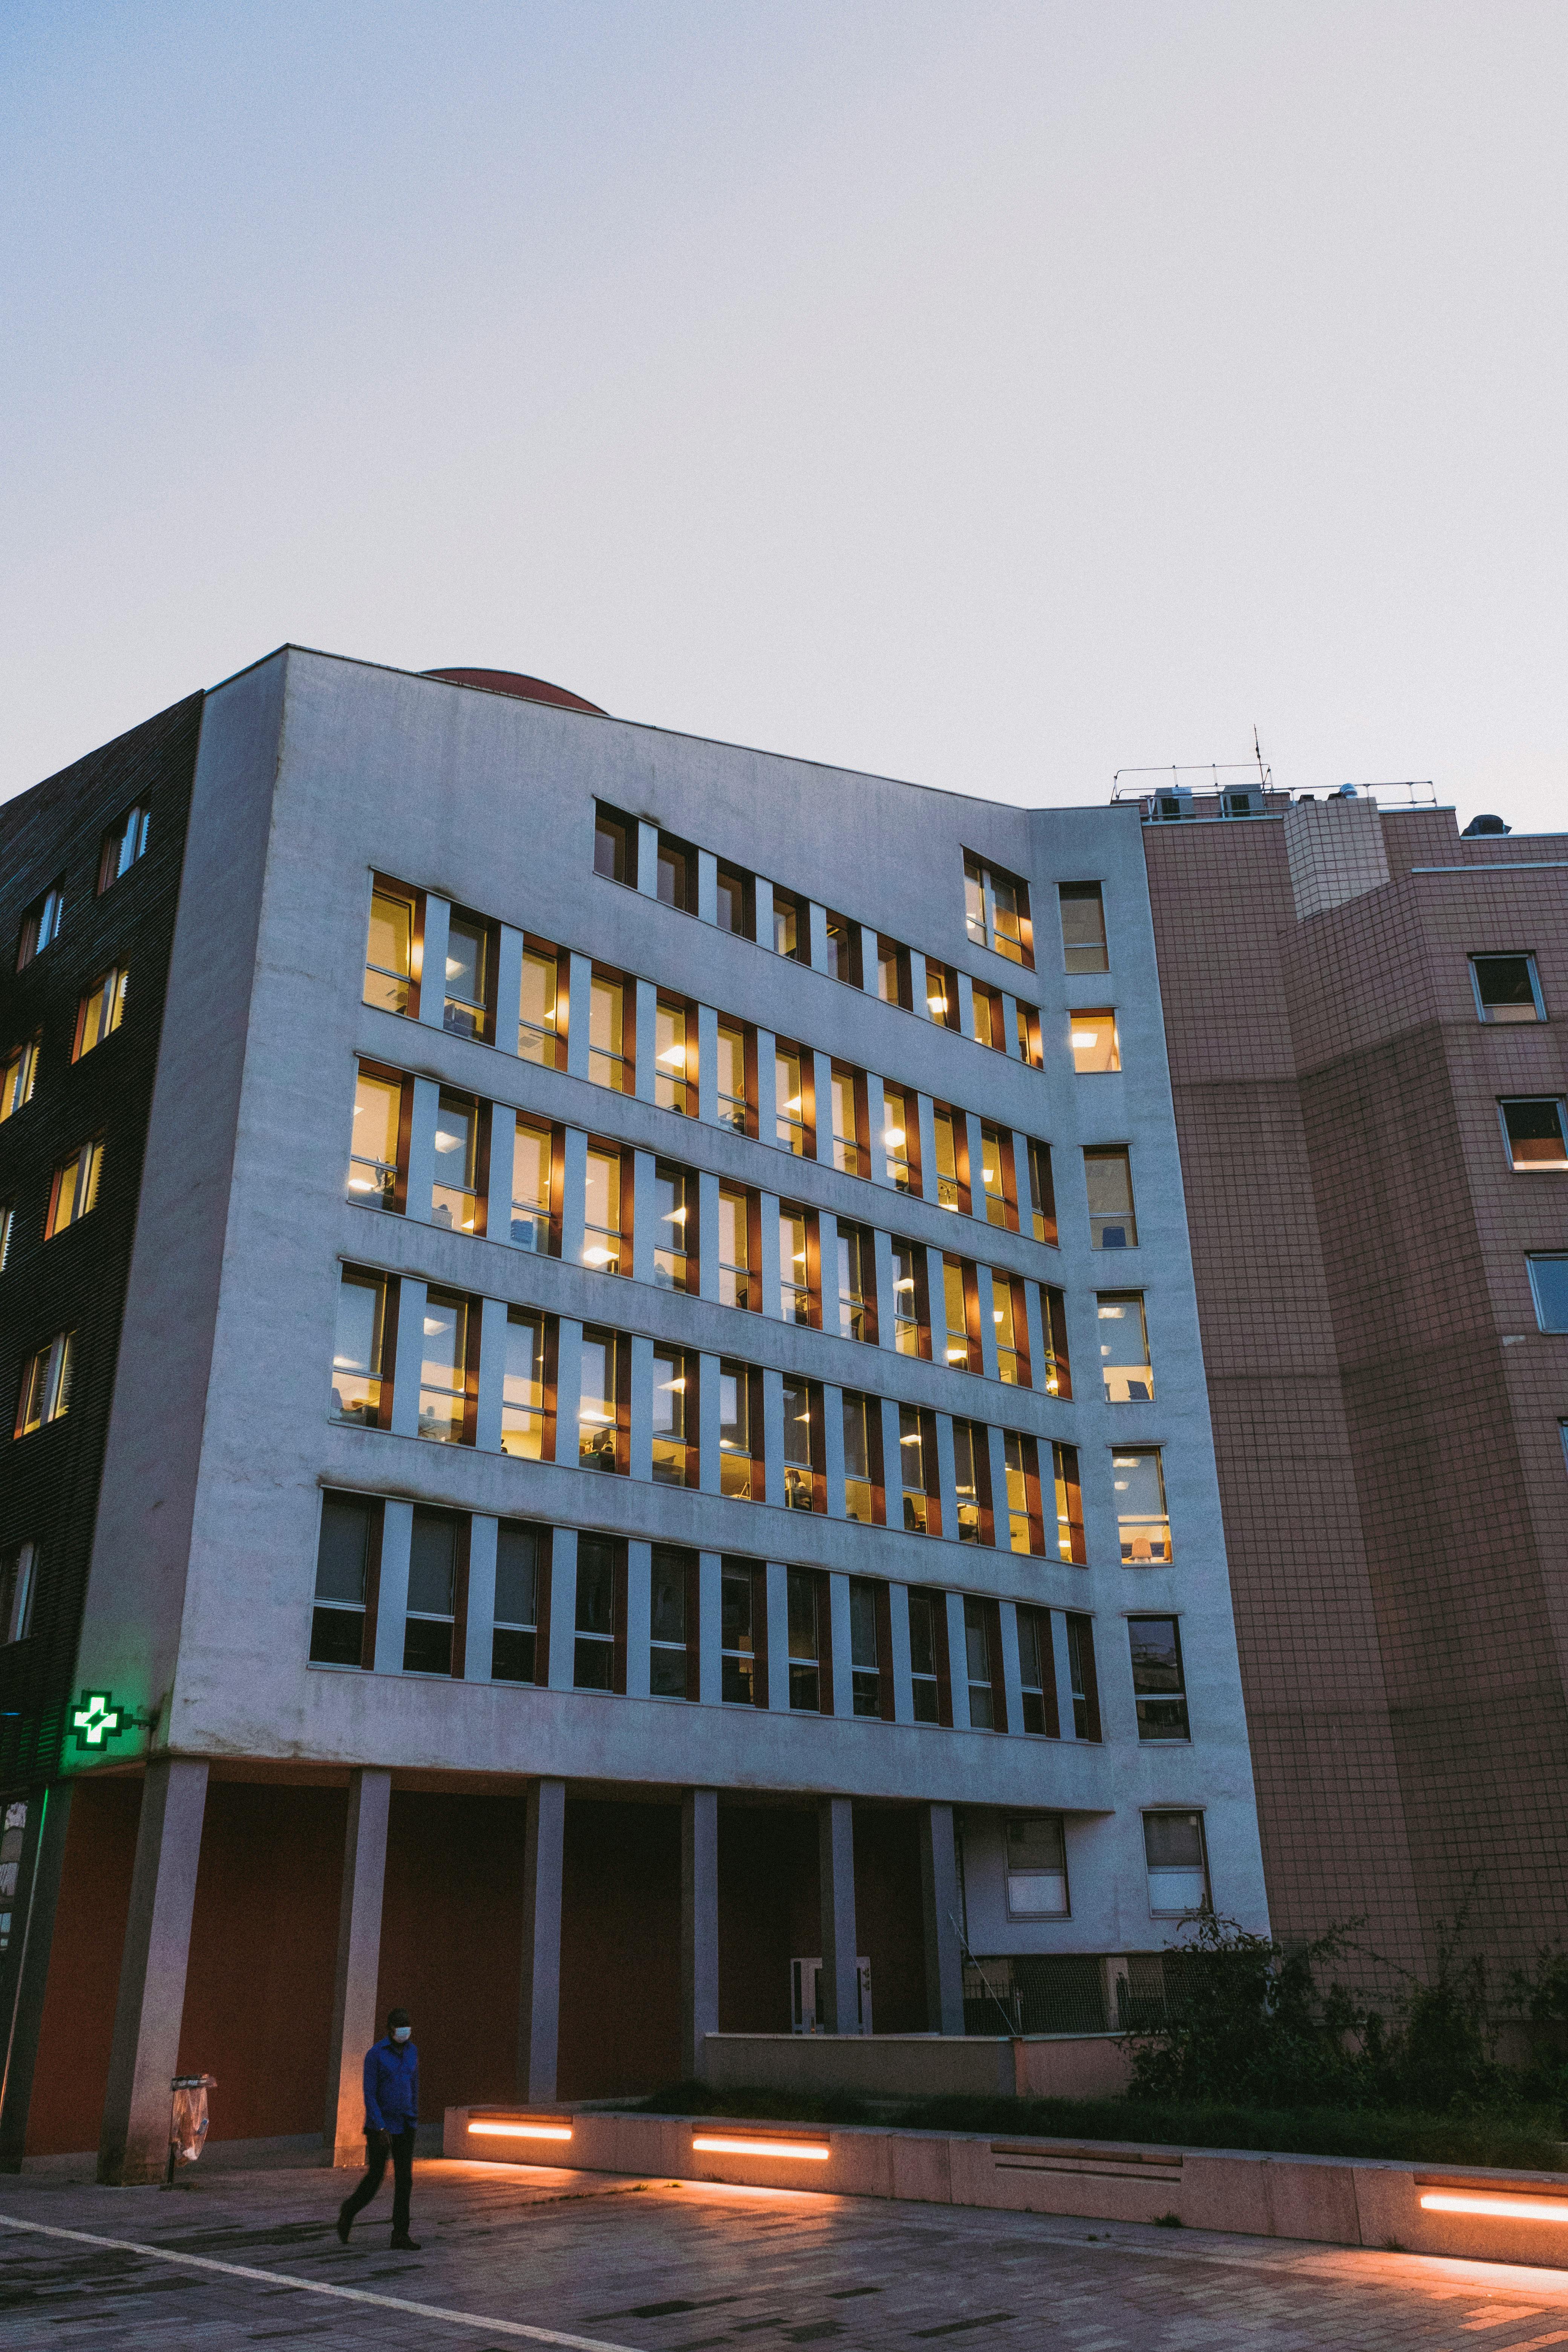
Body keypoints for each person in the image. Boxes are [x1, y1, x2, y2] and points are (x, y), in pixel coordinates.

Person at [337, 2007, 420, 2249]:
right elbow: (369, 2093)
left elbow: (414, 2085)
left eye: (407, 2024)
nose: (404, 2029)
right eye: (399, 2025)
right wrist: (380, 2127)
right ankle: (349, 2211)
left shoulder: (413, 2052)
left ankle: (401, 2234)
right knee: (376, 2177)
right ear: (390, 2029)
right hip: (381, 2127)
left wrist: (414, 2115)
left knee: (405, 2180)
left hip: (406, 2123)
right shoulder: (376, 2055)